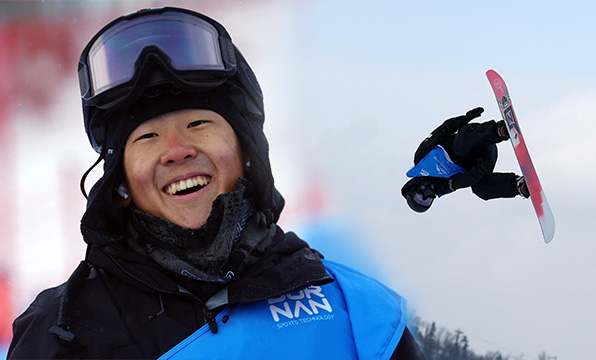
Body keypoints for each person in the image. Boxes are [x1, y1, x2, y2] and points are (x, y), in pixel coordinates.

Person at [8, 7, 423, 360]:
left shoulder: (360, 313)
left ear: (246, 154)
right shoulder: (59, 332)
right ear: (121, 181)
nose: (176, 150)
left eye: (198, 123)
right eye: (146, 137)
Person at [402, 107, 529, 212]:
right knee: (480, 190)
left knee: (460, 149)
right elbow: (466, 179)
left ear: (413, 188)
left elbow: (442, 131)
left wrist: (465, 118)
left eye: (419, 197)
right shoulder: (443, 187)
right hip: (484, 155)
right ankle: (519, 186)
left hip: (472, 137)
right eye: (427, 200)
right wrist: (484, 168)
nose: (425, 195)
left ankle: (499, 130)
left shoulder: (421, 159)